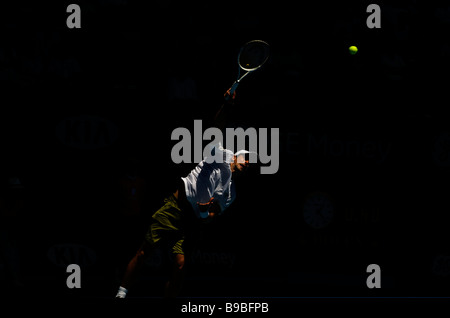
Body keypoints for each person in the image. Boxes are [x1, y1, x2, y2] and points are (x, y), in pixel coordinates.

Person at [115, 90, 254, 299]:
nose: (249, 163)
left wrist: (205, 213)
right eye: (247, 158)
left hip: (191, 222)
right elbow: (217, 127)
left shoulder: (231, 193)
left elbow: (212, 216)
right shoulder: (219, 153)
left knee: (180, 266)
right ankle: (121, 294)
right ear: (236, 155)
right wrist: (227, 105)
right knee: (144, 252)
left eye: (252, 162)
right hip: (174, 206)